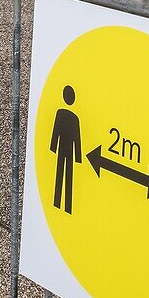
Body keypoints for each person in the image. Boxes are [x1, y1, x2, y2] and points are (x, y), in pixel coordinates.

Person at [50, 86, 83, 214]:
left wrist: (53, 147)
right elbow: (77, 138)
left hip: (62, 148)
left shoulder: (61, 113)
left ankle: (58, 201)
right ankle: (66, 205)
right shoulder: (74, 118)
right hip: (69, 149)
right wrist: (78, 156)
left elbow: (56, 132)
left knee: (60, 173)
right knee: (68, 175)